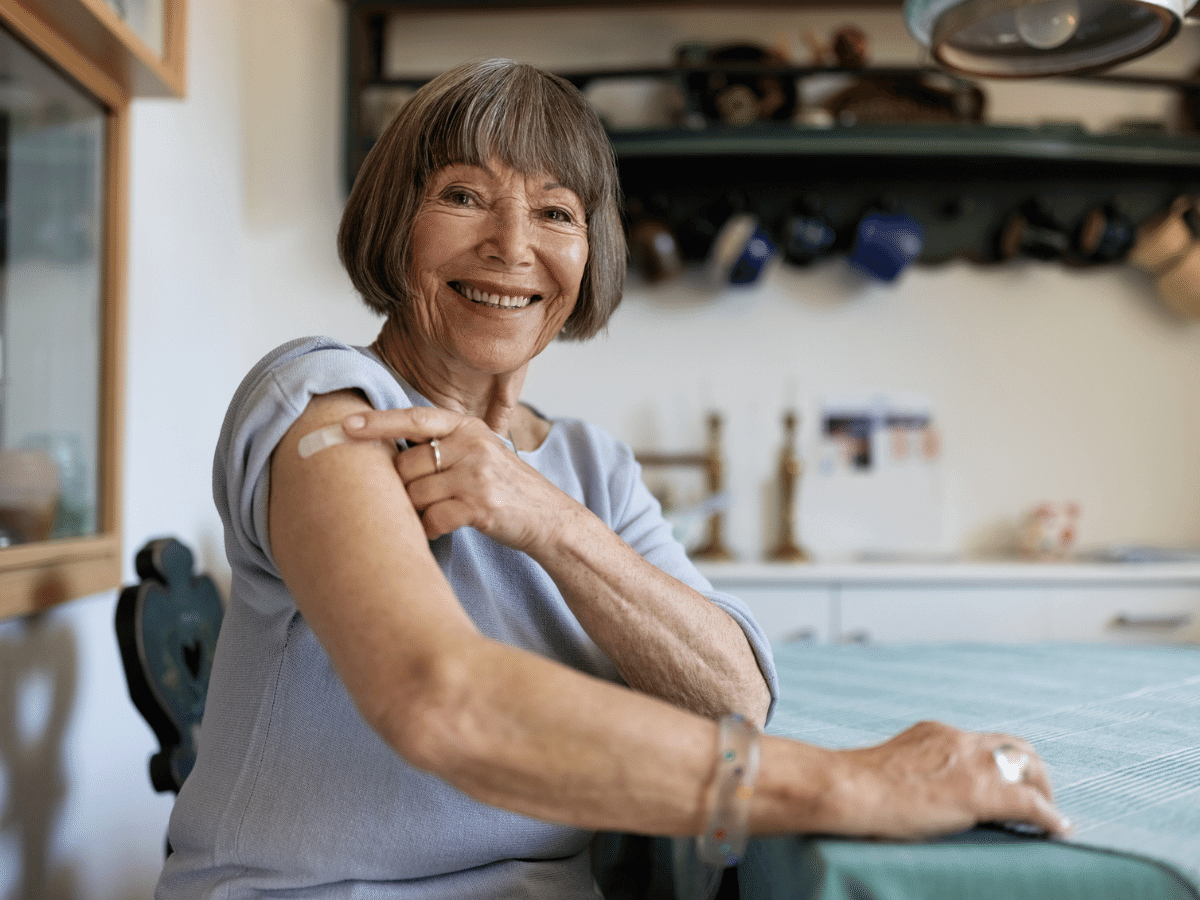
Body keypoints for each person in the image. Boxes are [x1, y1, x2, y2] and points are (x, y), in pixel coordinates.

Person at [158, 58, 1068, 900]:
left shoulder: (590, 466)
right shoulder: (324, 403)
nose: (512, 245)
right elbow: (438, 698)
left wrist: (545, 516)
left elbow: (734, 697)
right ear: (396, 224)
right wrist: (855, 784)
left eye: (556, 212)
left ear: (590, 252)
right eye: (464, 195)